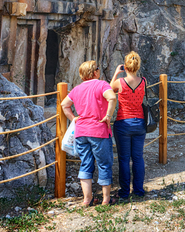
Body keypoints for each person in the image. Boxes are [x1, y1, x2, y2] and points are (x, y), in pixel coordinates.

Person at [61, 60, 117, 206]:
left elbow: (64, 105)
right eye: (97, 69)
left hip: (81, 132)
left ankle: (87, 199)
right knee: (104, 164)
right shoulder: (101, 84)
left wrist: (74, 118)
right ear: (95, 72)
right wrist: (108, 116)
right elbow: (112, 97)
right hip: (99, 131)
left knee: (86, 164)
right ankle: (106, 199)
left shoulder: (77, 89)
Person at [110, 51, 147, 199]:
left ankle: (124, 192)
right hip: (140, 122)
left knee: (124, 159)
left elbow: (108, 88)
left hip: (123, 122)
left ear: (125, 66)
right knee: (138, 158)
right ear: (138, 66)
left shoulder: (120, 82)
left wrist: (116, 73)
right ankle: (138, 190)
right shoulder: (143, 81)